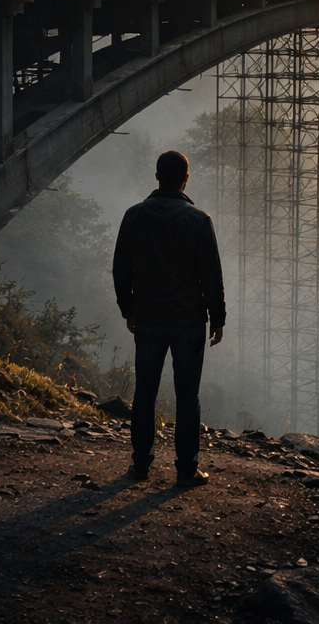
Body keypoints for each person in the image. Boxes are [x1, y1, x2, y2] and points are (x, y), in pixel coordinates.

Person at [111, 150, 226, 487]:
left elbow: (121, 268)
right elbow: (211, 276)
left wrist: (127, 309)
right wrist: (217, 317)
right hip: (188, 321)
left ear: (157, 176)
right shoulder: (199, 220)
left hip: (147, 318)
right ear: (186, 179)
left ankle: (140, 467)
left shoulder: (133, 216)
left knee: (144, 392)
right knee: (187, 396)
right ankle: (186, 470)